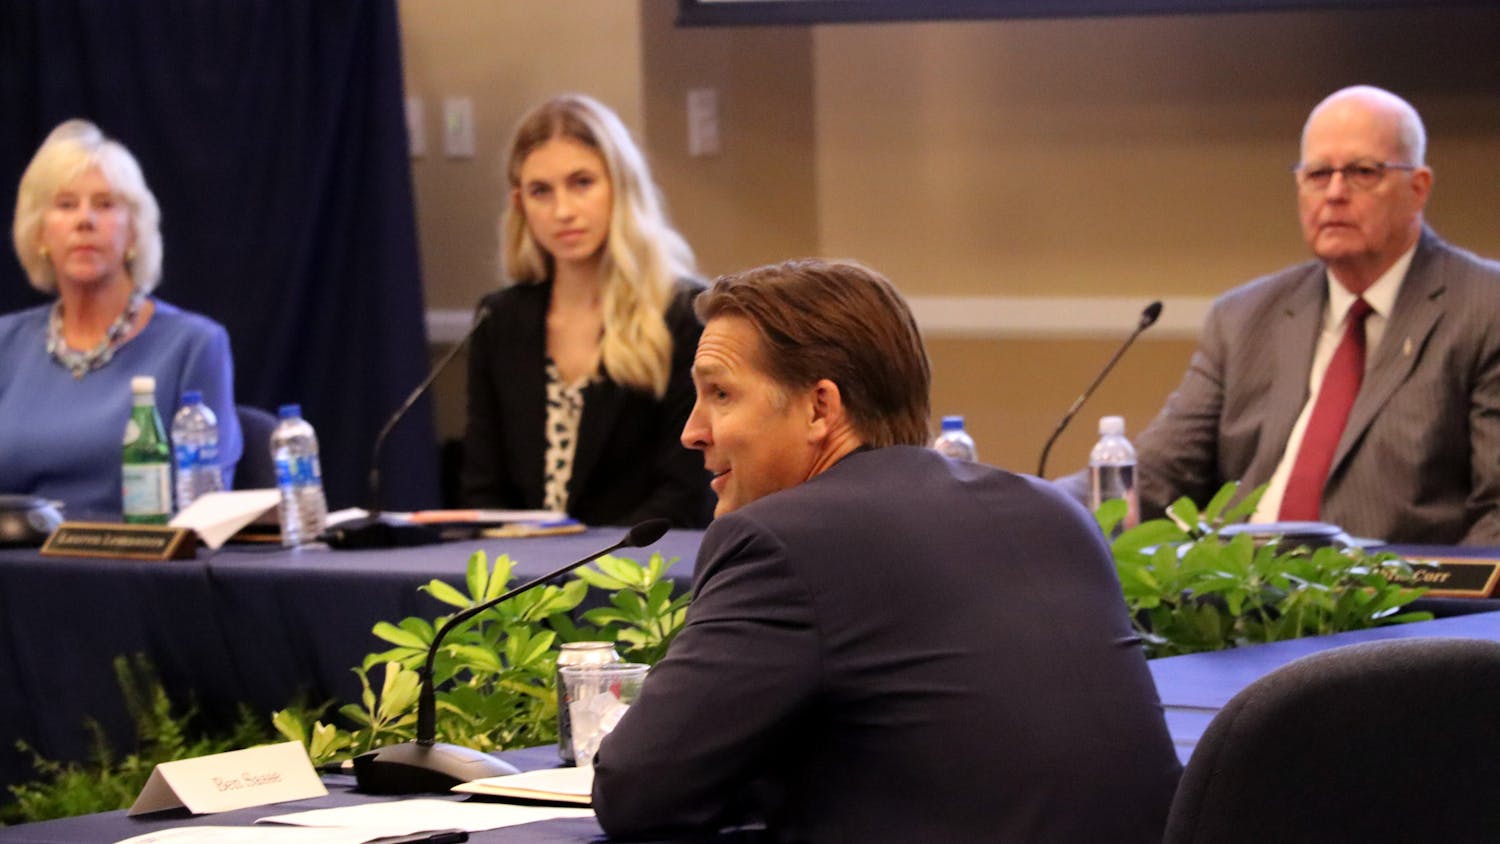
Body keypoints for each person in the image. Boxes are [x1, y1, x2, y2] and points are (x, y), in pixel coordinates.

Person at [592, 259, 1181, 841]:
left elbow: (639, 789)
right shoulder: (1054, 511)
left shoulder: (779, 541)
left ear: (820, 408)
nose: (692, 431)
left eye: (721, 394)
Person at [1121, 85, 1500, 545]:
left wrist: (1440, 607)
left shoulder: (1483, 307)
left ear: (1418, 188)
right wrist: (1033, 509)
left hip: (1397, 605)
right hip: (1236, 599)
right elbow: (1154, 477)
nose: (1335, 193)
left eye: (1362, 172)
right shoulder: (1243, 317)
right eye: (1318, 174)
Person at [461, 94, 713, 528]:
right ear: (520, 204)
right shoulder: (498, 319)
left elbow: (688, 490)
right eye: (541, 191)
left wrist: (583, 565)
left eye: (582, 183)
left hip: (639, 575)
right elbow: (482, 486)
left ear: (621, 185)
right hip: (521, 580)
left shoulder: (684, 315)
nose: (563, 211)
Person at [0, 119, 241, 519]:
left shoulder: (195, 346)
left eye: (105, 204)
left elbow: (206, 513)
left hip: (136, 571)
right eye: (65, 205)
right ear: (40, 234)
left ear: (134, 233)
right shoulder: (6, 343)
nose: (85, 220)